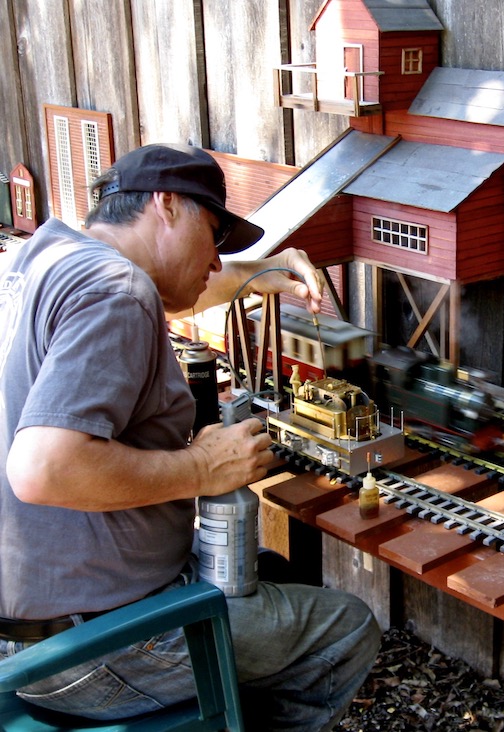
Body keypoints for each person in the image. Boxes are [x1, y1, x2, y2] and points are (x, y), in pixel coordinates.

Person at [0, 143, 381, 730]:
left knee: (268, 569)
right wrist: (205, 469)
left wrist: (260, 276)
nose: (215, 261)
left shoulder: (45, 257)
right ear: (167, 204)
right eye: (214, 236)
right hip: (90, 646)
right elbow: (43, 469)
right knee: (346, 627)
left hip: (24, 632)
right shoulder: (118, 291)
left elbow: (181, 284)